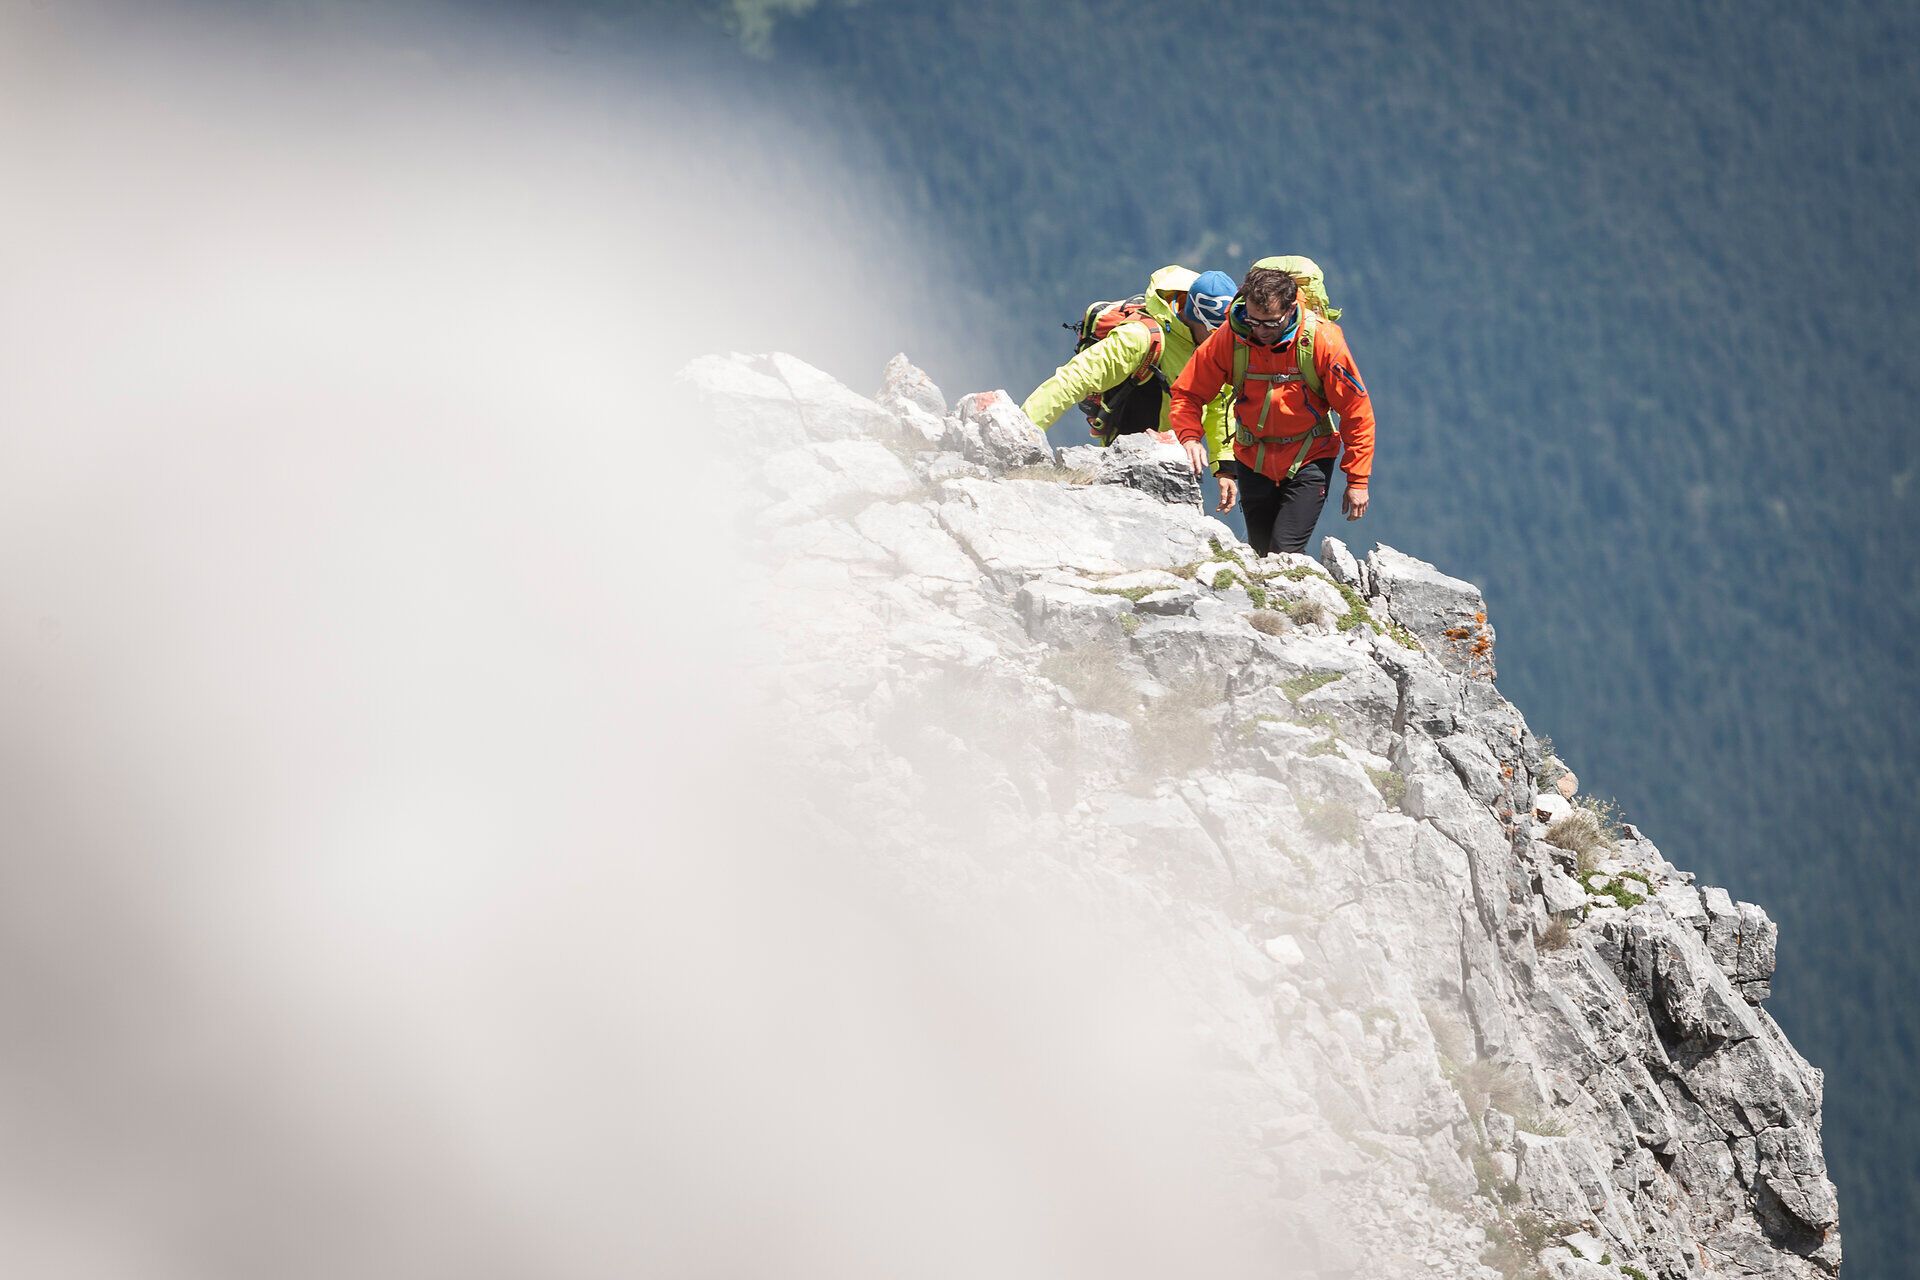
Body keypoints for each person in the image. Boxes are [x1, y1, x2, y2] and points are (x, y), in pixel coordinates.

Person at [1168, 257, 1375, 555]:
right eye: (1253, 320)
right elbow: (1187, 392)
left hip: (1309, 456)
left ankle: (1308, 599)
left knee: (1285, 550)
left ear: (1291, 309)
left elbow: (1357, 411)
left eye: (1271, 322)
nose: (1261, 330)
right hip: (1253, 458)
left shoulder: (1322, 341)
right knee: (1261, 551)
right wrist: (1189, 436)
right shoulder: (1231, 337)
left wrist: (1357, 479)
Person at [1019, 266, 1238, 493]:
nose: (1221, 341)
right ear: (1194, 316)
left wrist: (1224, 469)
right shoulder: (1140, 337)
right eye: (1214, 332)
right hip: (1126, 459)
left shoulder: (1215, 349)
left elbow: (1219, 403)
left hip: (1177, 460)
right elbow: (1073, 379)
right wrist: (1023, 430)